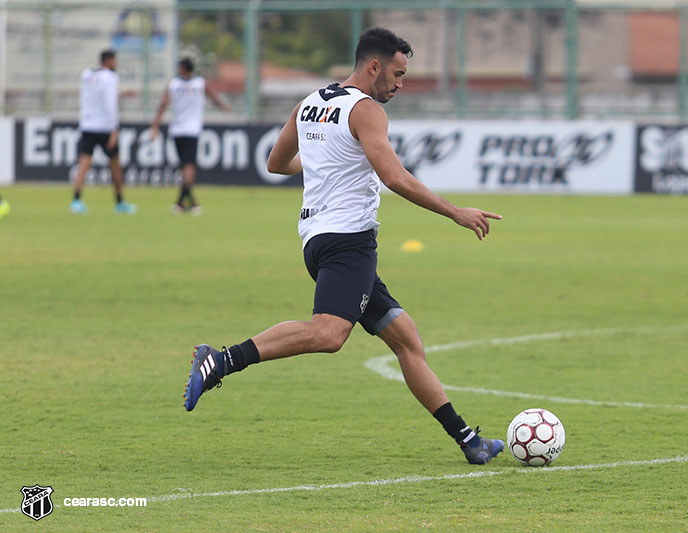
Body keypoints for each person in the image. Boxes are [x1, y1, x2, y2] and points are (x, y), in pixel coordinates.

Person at [183, 28, 505, 465]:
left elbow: (275, 163)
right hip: (348, 243)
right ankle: (220, 361)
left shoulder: (311, 103)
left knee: (406, 339)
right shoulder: (366, 110)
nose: (400, 83)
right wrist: (455, 212)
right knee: (329, 333)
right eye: (397, 73)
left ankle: (469, 441)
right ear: (374, 66)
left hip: (317, 241)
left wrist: (319, 161)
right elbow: (394, 177)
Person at [150, 57, 231, 215]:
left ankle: (183, 201)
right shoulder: (200, 83)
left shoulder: (173, 84)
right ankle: (186, 202)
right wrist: (225, 107)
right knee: (188, 166)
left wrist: (154, 126)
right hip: (192, 130)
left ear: (182, 68)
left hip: (177, 130)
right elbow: (215, 99)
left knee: (184, 166)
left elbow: (163, 104)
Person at [71, 49, 136, 215]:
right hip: (105, 127)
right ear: (108, 61)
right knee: (114, 164)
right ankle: (120, 203)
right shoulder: (111, 77)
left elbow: (97, 96)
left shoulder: (86, 75)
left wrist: (120, 95)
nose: (116, 64)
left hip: (87, 124)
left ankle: (76, 201)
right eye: (115, 61)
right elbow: (109, 103)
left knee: (84, 164)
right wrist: (114, 129)